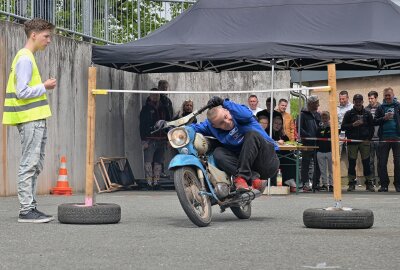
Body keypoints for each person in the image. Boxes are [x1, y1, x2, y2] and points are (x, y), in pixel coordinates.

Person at [2, 19, 56, 223]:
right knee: (29, 163)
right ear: (33, 35)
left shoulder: (27, 57)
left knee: (35, 164)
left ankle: (30, 206)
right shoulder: (25, 58)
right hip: (29, 119)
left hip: (34, 118)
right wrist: (45, 86)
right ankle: (26, 210)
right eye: (46, 36)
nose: (49, 40)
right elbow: (22, 91)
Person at [191, 97, 280, 192]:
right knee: (218, 153)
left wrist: (223, 102)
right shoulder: (210, 127)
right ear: (215, 125)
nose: (227, 122)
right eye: (221, 123)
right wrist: (175, 129)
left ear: (227, 110)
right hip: (249, 167)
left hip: (267, 162)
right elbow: (193, 128)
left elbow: (245, 114)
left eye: (226, 117)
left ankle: (241, 177)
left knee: (251, 134)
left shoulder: (240, 113)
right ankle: (253, 178)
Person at [341, 94, 374, 192]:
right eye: (356, 100)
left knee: (366, 163)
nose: (358, 102)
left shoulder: (368, 114)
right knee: (352, 163)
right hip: (352, 142)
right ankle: (351, 184)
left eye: (360, 100)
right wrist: (352, 125)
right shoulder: (349, 113)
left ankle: (369, 183)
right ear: (354, 101)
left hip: (364, 142)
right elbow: (343, 127)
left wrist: (369, 138)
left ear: (362, 102)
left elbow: (372, 127)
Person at [140, 88, 172, 190]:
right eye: (153, 95)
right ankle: (149, 183)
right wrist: (143, 140)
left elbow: (169, 124)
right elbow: (142, 125)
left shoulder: (165, 108)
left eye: (157, 95)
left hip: (162, 139)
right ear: (149, 96)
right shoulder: (145, 109)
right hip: (149, 139)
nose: (155, 97)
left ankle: (156, 182)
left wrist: (168, 139)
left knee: (159, 161)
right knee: (148, 161)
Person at [374, 87, 400, 192]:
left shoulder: (398, 106)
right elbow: (375, 121)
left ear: (393, 95)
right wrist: (383, 118)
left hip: (397, 137)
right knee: (382, 162)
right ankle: (384, 185)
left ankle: (398, 185)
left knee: (398, 162)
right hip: (384, 137)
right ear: (384, 97)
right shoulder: (380, 107)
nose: (388, 97)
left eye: (389, 95)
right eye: (386, 96)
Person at [298, 95, 321, 192]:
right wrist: (309, 136)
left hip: (318, 143)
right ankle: (305, 183)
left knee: (318, 164)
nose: (318, 105)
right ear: (311, 104)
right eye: (316, 103)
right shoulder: (302, 114)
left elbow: (320, 127)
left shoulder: (318, 114)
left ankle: (315, 183)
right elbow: (299, 128)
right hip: (307, 143)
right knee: (306, 164)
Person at [270, 115, 296, 186]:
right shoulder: (269, 133)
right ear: (272, 123)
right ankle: (287, 179)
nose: (277, 126)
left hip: (284, 154)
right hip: (273, 155)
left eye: (279, 124)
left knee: (292, 159)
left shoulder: (283, 135)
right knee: (286, 159)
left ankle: (290, 179)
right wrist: (276, 142)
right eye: (276, 123)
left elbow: (287, 142)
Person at [365, 90, 380, 186]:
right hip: (369, 139)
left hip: (379, 139)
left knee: (380, 161)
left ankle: (380, 180)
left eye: (372, 98)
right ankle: (372, 181)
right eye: (369, 98)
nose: (370, 100)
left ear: (376, 98)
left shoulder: (381, 108)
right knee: (370, 161)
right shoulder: (366, 109)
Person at [316, 111, 333, 192]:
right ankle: (324, 184)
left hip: (330, 151)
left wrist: (329, 127)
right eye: (323, 118)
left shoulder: (332, 128)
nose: (325, 119)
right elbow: (317, 137)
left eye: (326, 117)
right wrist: (322, 128)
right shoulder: (319, 128)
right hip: (320, 151)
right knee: (322, 169)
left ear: (329, 118)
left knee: (331, 169)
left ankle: (332, 184)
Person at [337, 90, 353, 157]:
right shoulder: (336, 108)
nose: (341, 100)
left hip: (350, 132)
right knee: (337, 154)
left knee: (350, 154)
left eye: (343, 99)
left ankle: (351, 167)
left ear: (347, 98)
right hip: (339, 132)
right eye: (340, 99)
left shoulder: (352, 107)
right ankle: (336, 167)